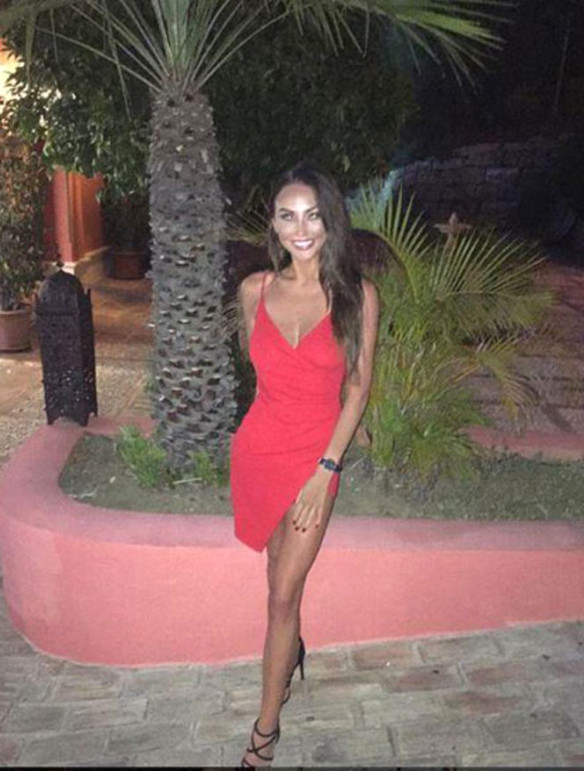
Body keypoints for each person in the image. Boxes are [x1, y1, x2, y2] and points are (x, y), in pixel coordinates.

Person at [230, 162, 380, 767]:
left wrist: (326, 470)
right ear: (273, 224)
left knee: (282, 595)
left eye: (313, 216)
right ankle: (289, 653)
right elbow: (260, 374)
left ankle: (264, 732)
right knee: (276, 577)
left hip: (317, 460)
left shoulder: (357, 296)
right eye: (288, 216)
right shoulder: (255, 291)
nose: (301, 229)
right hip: (259, 452)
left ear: (330, 222)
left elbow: (358, 389)